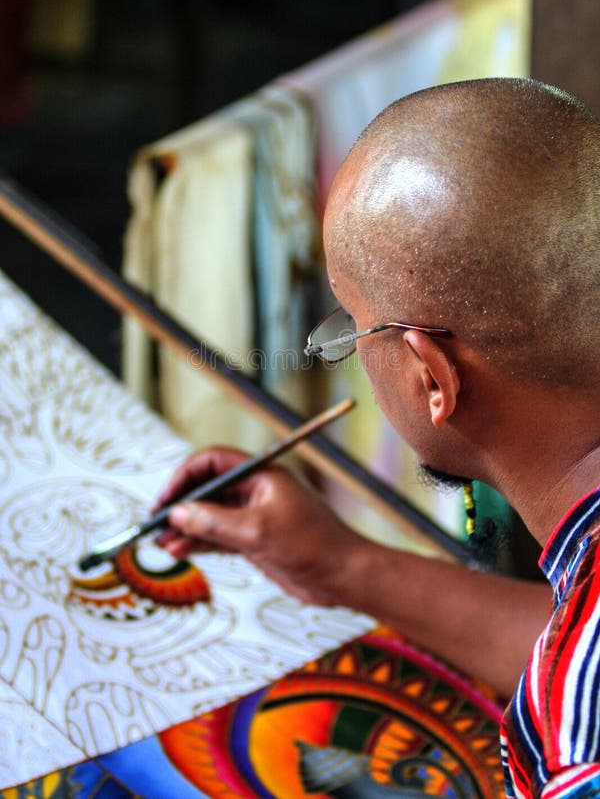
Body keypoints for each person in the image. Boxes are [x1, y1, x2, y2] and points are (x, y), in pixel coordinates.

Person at [155, 78, 600, 799]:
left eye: (354, 325)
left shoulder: (577, 746)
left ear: (433, 378)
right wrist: (341, 565)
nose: (352, 351)